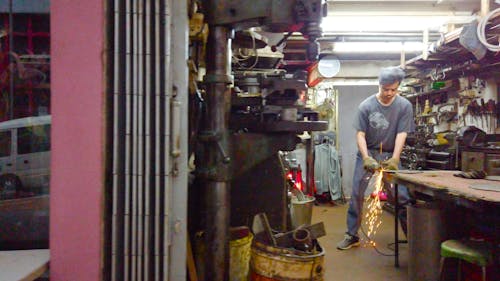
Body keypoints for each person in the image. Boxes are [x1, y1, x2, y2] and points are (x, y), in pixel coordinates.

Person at [337, 66, 414, 250]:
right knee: (356, 193)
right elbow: (360, 135)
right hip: (368, 153)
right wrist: (366, 158)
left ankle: (413, 237)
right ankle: (352, 234)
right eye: (385, 89)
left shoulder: (404, 106)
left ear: (398, 87)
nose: (389, 93)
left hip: (389, 154)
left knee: (401, 196)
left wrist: (395, 159)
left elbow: (401, 134)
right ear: (379, 85)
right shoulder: (366, 106)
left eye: (393, 89)